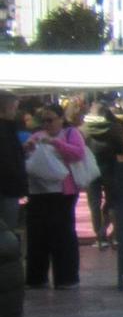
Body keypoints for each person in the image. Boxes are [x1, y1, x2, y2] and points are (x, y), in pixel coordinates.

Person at [23, 102, 87, 288]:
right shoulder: (37, 135)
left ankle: (66, 278)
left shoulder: (70, 133)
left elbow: (78, 153)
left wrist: (56, 143)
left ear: (61, 119)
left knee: (63, 234)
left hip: (63, 192)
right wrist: (28, 148)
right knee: (38, 236)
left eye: (50, 120)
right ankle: (36, 277)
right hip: (39, 193)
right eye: (43, 121)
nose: (46, 124)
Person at [81, 98, 123, 248]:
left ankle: (99, 237)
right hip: (110, 169)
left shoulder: (83, 129)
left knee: (93, 203)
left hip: (90, 170)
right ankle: (115, 235)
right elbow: (121, 150)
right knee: (112, 201)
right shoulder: (113, 128)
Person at [0, 92, 25, 234]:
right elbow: (7, 159)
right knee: (6, 231)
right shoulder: (5, 129)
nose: (16, 112)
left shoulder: (8, 127)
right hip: (7, 188)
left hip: (8, 188)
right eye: (14, 108)